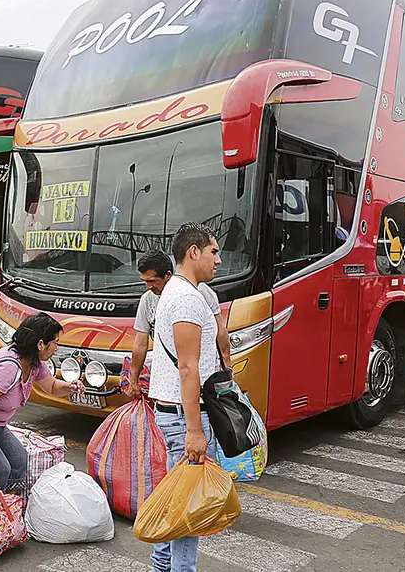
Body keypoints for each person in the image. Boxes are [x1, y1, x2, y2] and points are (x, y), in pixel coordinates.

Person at [147, 223, 225, 572]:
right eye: (213, 252)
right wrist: (195, 430)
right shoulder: (187, 299)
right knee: (189, 508)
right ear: (193, 252)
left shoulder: (175, 293)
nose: (218, 260)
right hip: (183, 418)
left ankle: (161, 567)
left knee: (179, 498)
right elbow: (188, 369)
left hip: (176, 413)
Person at [0, 313, 85, 493]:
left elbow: (52, 387)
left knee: (20, 461)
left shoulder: (34, 364)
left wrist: (70, 387)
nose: (57, 348)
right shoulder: (9, 367)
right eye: (55, 342)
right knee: (1, 469)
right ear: (40, 344)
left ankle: (8, 504)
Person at [127, 249, 230, 401]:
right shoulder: (147, 300)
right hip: (166, 389)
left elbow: (220, 332)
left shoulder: (198, 292)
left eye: (152, 281)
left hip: (201, 382)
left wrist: (228, 371)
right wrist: (133, 380)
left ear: (168, 275)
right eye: (144, 281)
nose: (148, 287)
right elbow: (140, 344)